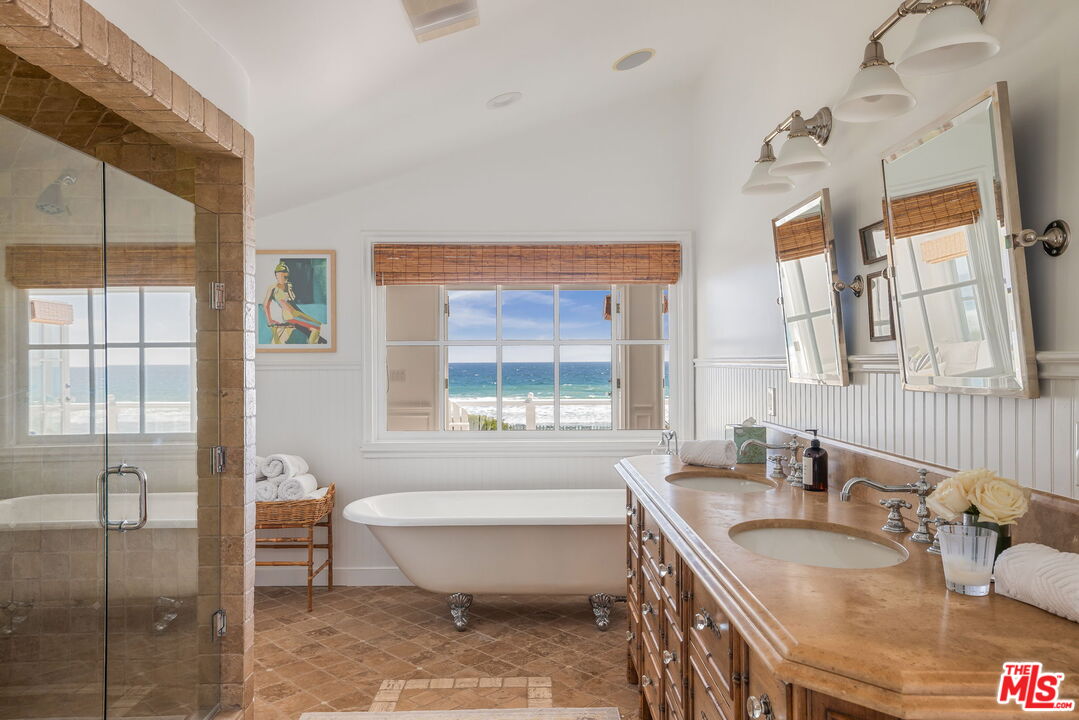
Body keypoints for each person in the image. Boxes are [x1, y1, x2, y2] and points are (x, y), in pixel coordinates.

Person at [262, 261, 326, 344]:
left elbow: (292, 300)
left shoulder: (288, 286)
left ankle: (313, 344)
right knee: (316, 326)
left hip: (296, 314)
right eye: (280, 276)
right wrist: (269, 320)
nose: (283, 278)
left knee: (317, 325)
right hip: (290, 316)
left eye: (285, 276)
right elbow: (265, 304)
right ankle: (312, 347)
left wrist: (289, 290)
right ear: (276, 275)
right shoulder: (273, 288)